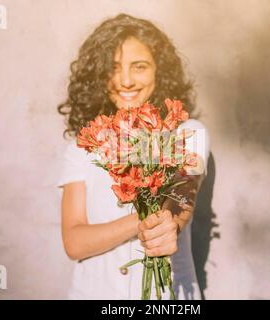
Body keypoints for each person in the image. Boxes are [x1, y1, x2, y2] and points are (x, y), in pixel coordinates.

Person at [56, 13, 209, 299]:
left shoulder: (189, 132)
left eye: (139, 67)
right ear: (98, 76)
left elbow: (184, 191)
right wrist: (143, 219)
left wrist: (170, 222)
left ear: (159, 72)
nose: (125, 81)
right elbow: (74, 243)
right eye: (113, 69)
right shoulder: (82, 147)